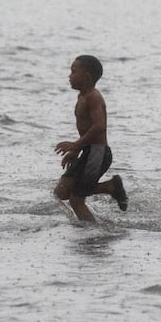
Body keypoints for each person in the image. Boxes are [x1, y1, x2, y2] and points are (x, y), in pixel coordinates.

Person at [54, 55, 128, 222]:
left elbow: (99, 127)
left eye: (73, 71)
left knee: (76, 199)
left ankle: (93, 236)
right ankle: (109, 187)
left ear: (86, 76)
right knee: (61, 191)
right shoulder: (82, 96)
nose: (69, 76)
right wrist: (77, 150)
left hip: (97, 153)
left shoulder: (93, 97)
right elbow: (87, 129)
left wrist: (75, 145)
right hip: (88, 151)